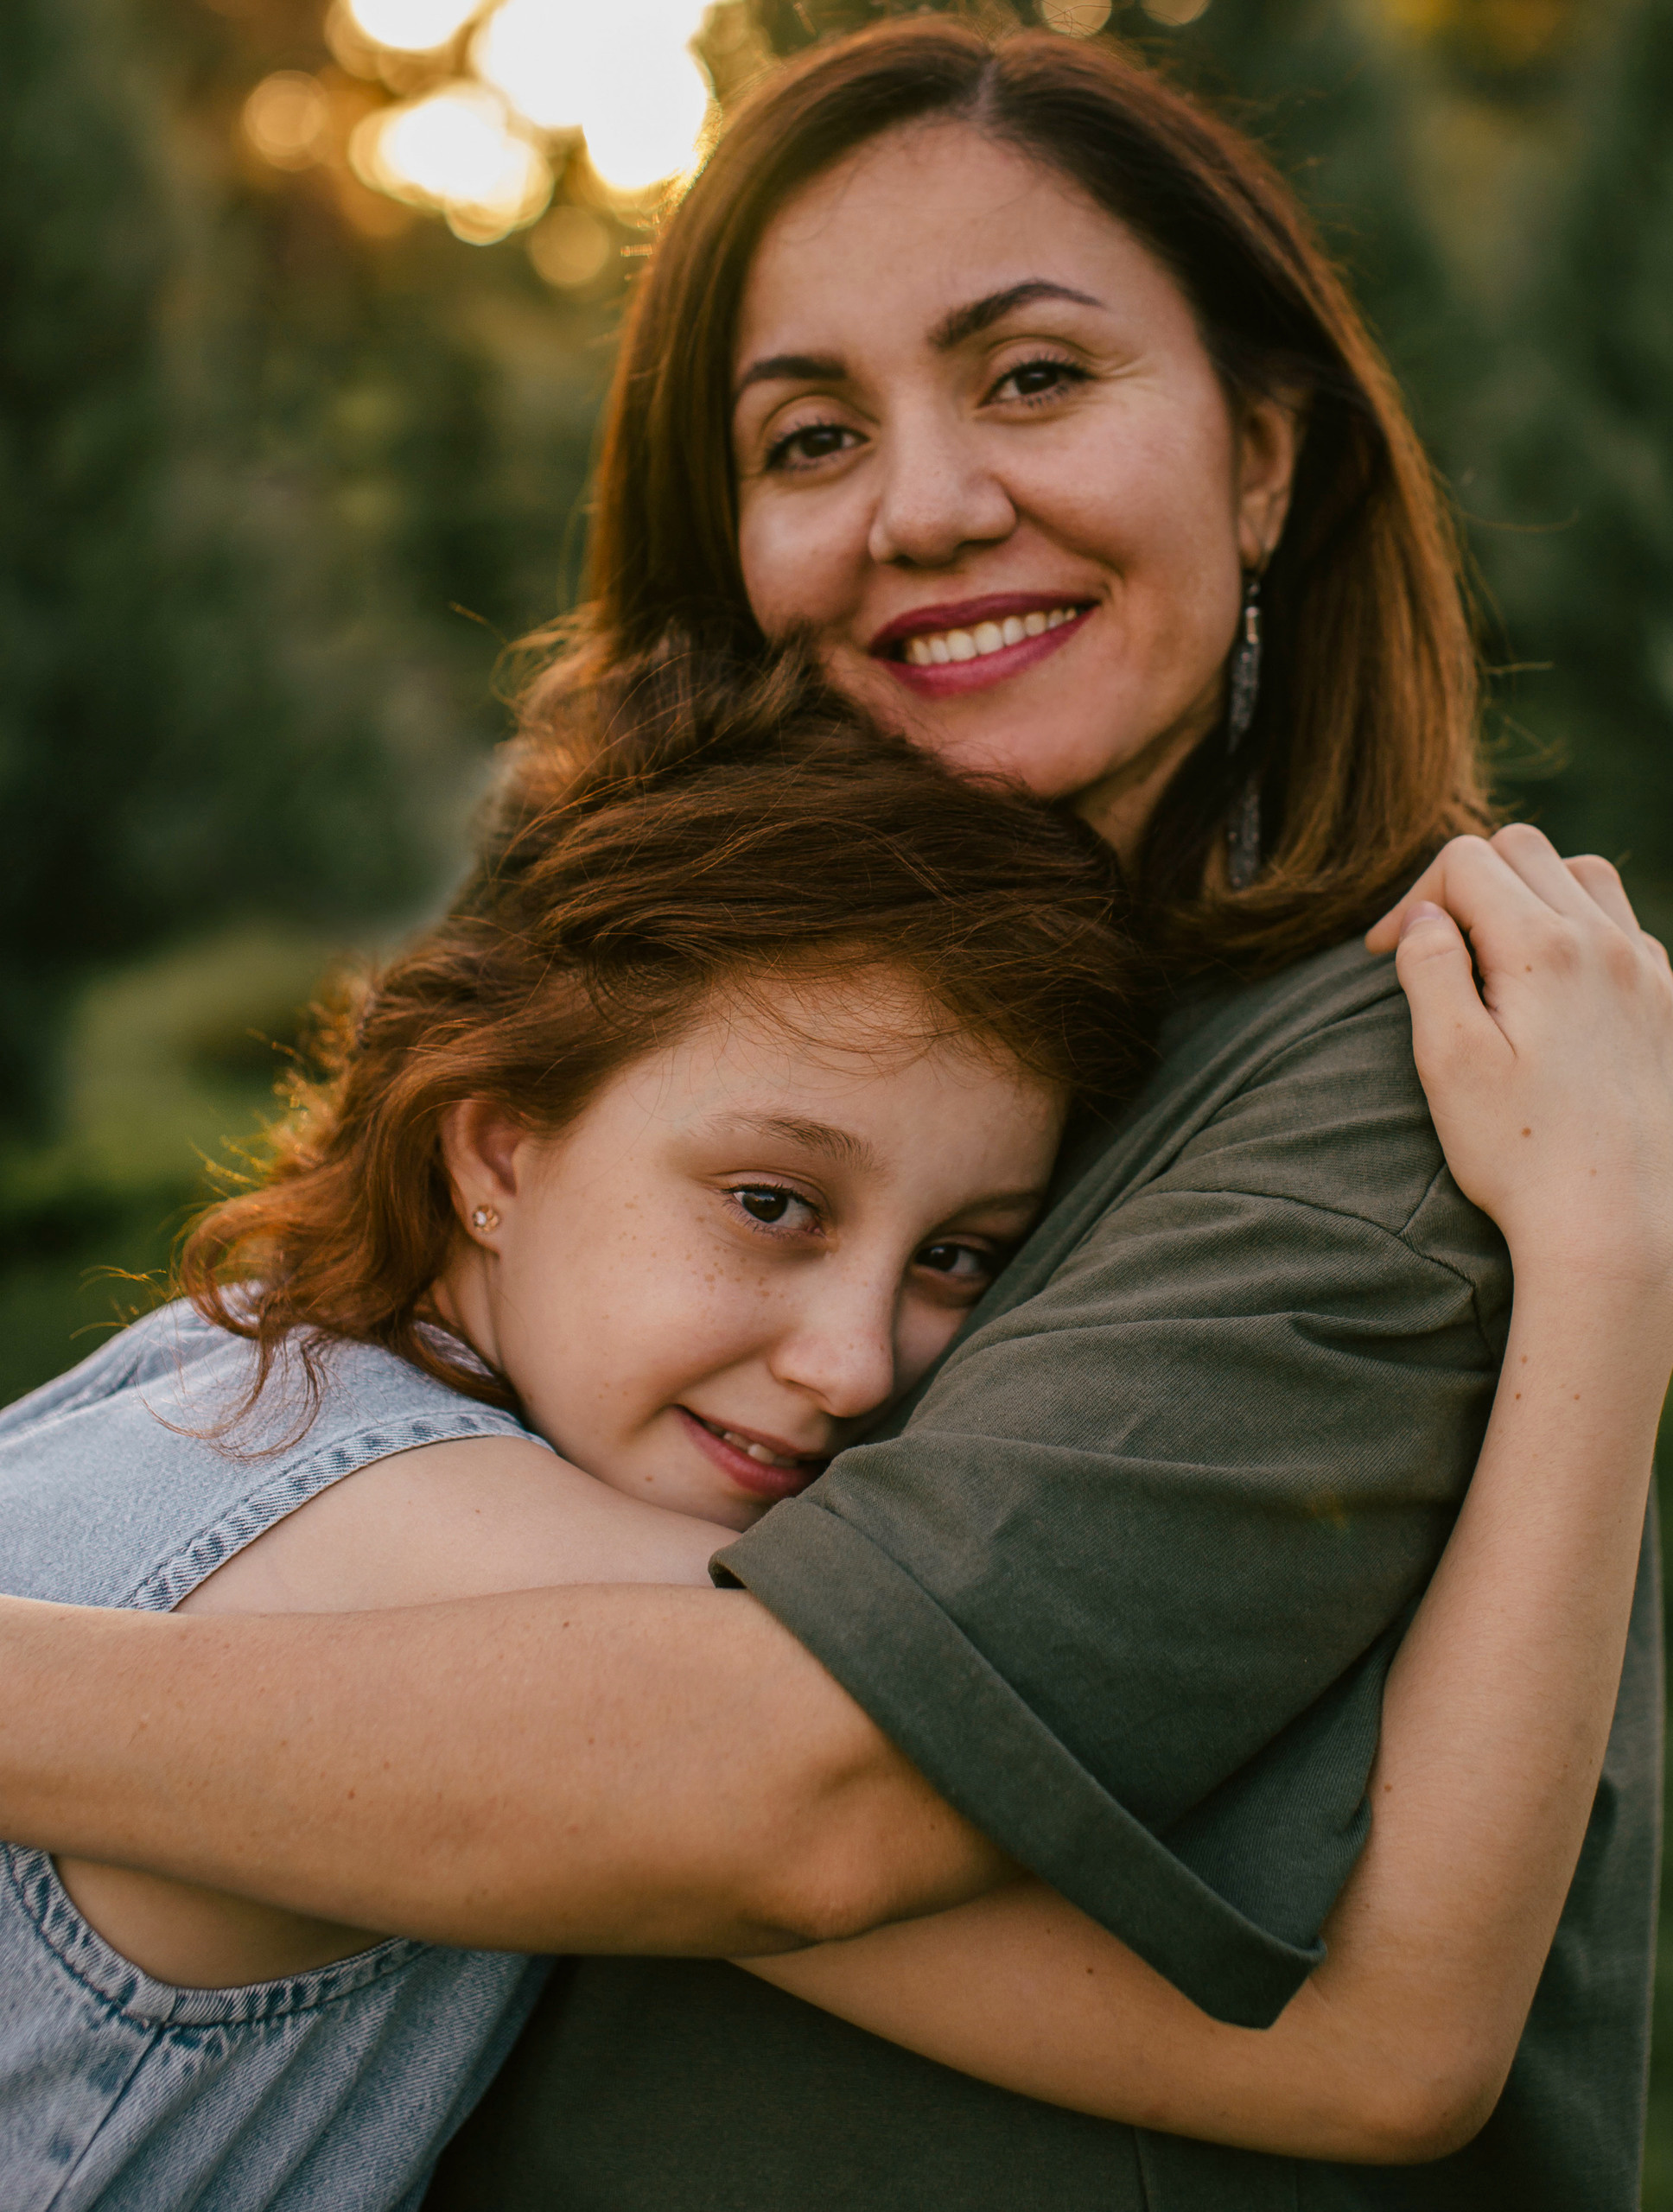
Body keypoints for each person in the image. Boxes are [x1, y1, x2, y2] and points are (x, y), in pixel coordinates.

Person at [0, 21, 1664, 2209]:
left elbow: (1372, 2046)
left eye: (1034, 376)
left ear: (1264, 459)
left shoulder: (1382, 1079)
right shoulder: (414, 1517)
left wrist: (1606, 1256)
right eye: (808, 435)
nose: (925, 504)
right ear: (501, 1145)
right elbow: (835, 1807)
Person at [0, 659, 1156, 2208]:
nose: (855, 1364)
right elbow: (1374, 2053)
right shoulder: (457, 1545)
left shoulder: (239, 1354)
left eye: (957, 1255)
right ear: (500, 1149)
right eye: (773, 1204)